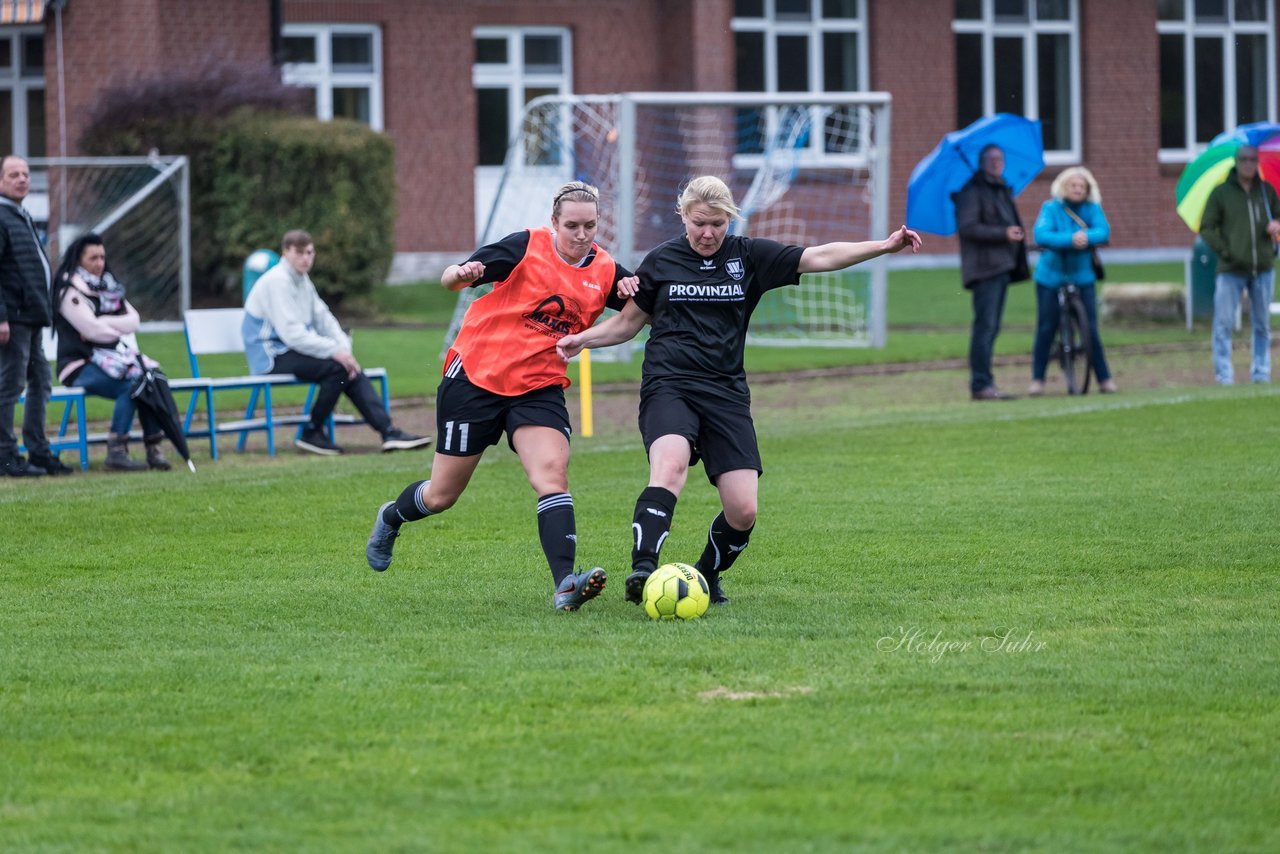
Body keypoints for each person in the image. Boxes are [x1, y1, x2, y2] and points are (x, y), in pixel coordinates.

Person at [556, 176, 921, 606]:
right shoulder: (661, 261)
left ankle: (705, 576)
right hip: (668, 385)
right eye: (699, 224)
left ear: (730, 219)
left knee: (743, 510)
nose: (708, 233)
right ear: (684, 217)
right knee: (669, 467)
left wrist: (882, 245)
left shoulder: (748, 257)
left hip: (726, 393)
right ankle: (643, 569)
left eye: (717, 224)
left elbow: (818, 256)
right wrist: (584, 339)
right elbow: (628, 323)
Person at [364, 181, 640, 612]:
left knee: (552, 472)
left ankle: (565, 584)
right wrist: (461, 274)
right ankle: (391, 517)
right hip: (475, 378)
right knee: (441, 495)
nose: (581, 234)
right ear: (554, 223)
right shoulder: (525, 247)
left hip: (538, 387)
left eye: (590, 225)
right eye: (572, 226)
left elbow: (639, 308)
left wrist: (633, 291)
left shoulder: (605, 271)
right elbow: (450, 279)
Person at [242, 229, 432, 455]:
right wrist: (336, 352)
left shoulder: (302, 279)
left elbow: (325, 319)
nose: (306, 258)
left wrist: (344, 350)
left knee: (347, 367)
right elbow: (291, 334)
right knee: (337, 367)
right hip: (270, 355)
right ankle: (311, 432)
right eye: (300, 253)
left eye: (310, 253)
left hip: (289, 349)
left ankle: (388, 432)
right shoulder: (277, 281)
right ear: (285, 252)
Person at [53, 232, 176, 470]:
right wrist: (104, 326)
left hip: (112, 360)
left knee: (146, 380)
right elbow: (92, 331)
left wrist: (102, 322)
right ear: (79, 260)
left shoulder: (109, 286)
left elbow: (134, 321)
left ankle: (154, 448)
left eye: (102, 257)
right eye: (93, 258)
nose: (99, 263)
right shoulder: (69, 291)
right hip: (78, 365)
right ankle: (116, 451)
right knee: (131, 387)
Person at [0, 154, 69, 476]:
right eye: (14, 174)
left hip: (32, 316)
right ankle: (5, 455)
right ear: (1, 181)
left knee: (41, 380)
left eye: (25, 174)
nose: (22, 179)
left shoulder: (20, 214)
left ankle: (38, 451)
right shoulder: (1, 216)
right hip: (13, 318)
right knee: (10, 386)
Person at [1029, 167, 1117, 395]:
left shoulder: (1091, 209)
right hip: (1051, 277)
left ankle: (1104, 378)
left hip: (1082, 275)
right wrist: (1071, 239)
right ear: (1063, 187)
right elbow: (1041, 235)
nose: (1077, 190)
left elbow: (1103, 232)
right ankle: (1038, 379)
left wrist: (1086, 237)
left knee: (1091, 329)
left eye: (1082, 186)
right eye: (1073, 185)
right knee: (1046, 327)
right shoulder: (1050, 208)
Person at [1200, 143, 1280, 385]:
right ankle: (1224, 374)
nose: (1248, 163)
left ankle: (1261, 372)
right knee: (1223, 324)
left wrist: (1276, 225)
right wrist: (1226, 250)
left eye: (1253, 159)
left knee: (1262, 324)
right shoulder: (1221, 193)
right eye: (1244, 159)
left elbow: (1278, 217)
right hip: (1231, 269)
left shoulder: (1266, 192)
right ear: (1236, 162)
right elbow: (1207, 227)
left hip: (1263, 268)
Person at [955, 143, 1030, 401]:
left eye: (1000, 158)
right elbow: (968, 227)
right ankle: (980, 384)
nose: (998, 163)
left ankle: (986, 382)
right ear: (982, 162)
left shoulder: (1000, 189)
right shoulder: (972, 191)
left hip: (1002, 266)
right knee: (985, 327)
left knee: (992, 326)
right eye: (992, 159)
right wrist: (1003, 233)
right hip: (985, 268)